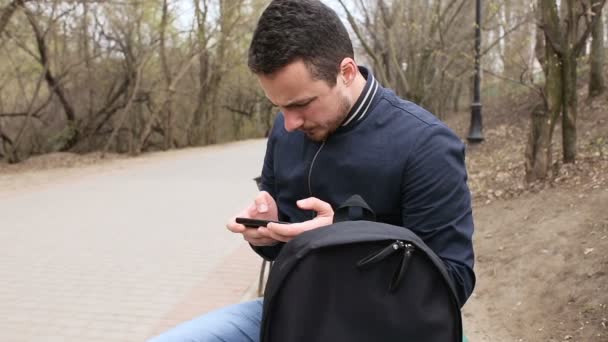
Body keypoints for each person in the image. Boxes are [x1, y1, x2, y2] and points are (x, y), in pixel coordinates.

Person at [149, 0, 475, 341]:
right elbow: (284, 250)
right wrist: (265, 233)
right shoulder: (285, 129)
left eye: (301, 104)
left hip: (385, 326)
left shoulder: (426, 144)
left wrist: (341, 234)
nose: (289, 124)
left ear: (346, 72)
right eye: (279, 107)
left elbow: (452, 281)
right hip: (293, 312)